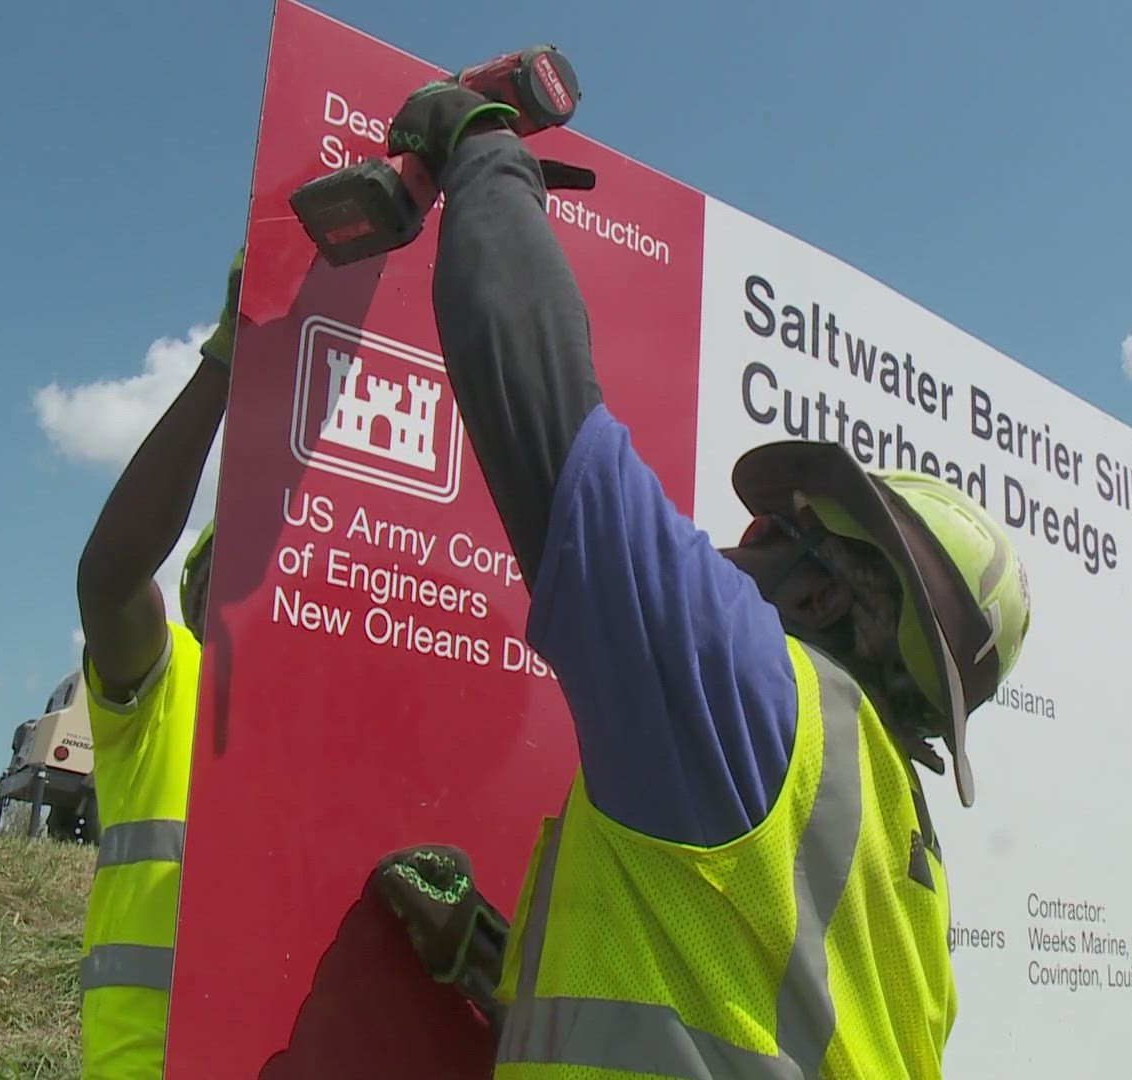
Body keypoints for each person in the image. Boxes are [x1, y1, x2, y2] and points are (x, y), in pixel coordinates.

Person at [376, 78, 1034, 1078]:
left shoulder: (759, 696)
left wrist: (483, 149)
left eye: (773, 528)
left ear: (826, 596)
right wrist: (490, 962)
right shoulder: (909, 879)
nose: (738, 538)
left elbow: (545, 414)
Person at [71, 252, 242, 1078]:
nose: (244, 599)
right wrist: (224, 358)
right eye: (223, 573)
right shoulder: (169, 676)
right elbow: (108, 578)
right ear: (193, 594)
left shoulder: (335, 723)